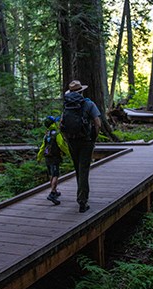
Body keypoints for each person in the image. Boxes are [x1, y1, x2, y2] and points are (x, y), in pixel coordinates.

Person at [62, 80, 101, 213]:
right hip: (86, 141)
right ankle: (82, 201)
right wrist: (94, 137)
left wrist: (68, 139)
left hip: (72, 141)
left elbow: (62, 124)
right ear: (81, 91)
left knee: (78, 169)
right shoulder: (89, 104)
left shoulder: (67, 105)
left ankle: (81, 196)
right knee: (84, 169)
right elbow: (98, 123)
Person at [37, 116, 70, 205]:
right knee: (55, 174)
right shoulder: (56, 134)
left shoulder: (46, 134)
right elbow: (61, 144)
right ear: (53, 123)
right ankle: (52, 193)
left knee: (51, 174)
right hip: (55, 157)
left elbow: (42, 147)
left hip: (47, 157)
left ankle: (54, 191)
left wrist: (39, 157)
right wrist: (69, 154)